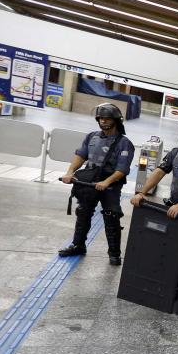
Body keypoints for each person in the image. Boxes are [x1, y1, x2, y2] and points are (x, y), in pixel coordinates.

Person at [58, 102, 136, 265]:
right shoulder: (92, 136)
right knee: (83, 212)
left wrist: (106, 182)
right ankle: (78, 245)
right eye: (101, 118)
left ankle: (114, 253)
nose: (104, 121)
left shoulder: (124, 143)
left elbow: (122, 169)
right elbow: (81, 156)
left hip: (111, 185)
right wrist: (70, 172)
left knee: (111, 215)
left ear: (116, 120)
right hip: (90, 181)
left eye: (107, 118)